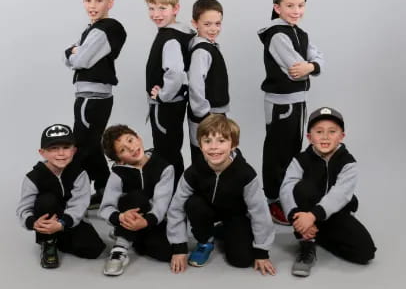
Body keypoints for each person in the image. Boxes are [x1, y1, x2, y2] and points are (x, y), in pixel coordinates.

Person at [167, 114, 276, 275]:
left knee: (242, 260)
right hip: (206, 211)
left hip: (235, 215)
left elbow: (260, 212)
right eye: (207, 141)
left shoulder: (245, 174)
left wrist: (262, 251)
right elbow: (176, 208)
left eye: (221, 141)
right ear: (200, 144)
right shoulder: (193, 172)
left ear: (233, 144)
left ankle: (224, 230)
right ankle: (206, 240)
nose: (214, 147)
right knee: (193, 204)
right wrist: (179, 247)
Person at [280, 107, 376, 277]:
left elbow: (340, 193)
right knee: (303, 187)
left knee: (365, 252)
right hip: (305, 211)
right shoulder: (300, 160)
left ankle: (319, 234)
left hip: (332, 213)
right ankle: (307, 243)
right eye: (319, 131)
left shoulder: (348, 163)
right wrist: (295, 215)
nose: (325, 136)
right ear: (310, 137)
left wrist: (313, 217)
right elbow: (287, 188)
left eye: (332, 132)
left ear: (342, 136)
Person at [258, 0, 325, 225]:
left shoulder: (300, 33)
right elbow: (294, 70)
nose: (296, 10)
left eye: (300, 5)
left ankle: (288, 195)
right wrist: (311, 67)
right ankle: (273, 199)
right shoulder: (277, 34)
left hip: (298, 102)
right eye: (290, 5)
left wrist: (313, 66)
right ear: (277, 7)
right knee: (278, 152)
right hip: (281, 104)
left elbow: (318, 60)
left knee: (292, 150)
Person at [64, 0, 127, 209]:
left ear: (110, 2)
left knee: (79, 147)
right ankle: (104, 189)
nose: (92, 5)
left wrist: (75, 53)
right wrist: (73, 53)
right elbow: (68, 56)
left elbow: (78, 59)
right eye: (88, 0)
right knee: (91, 145)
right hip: (93, 95)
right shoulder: (92, 29)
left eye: (98, 0)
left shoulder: (105, 29)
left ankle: (71, 194)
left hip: (91, 96)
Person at [16, 124, 106, 269]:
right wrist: (33, 222)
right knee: (47, 200)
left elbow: (80, 204)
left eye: (66, 148)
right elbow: (24, 208)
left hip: (68, 221)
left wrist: (62, 224)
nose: (61, 153)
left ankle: (59, 236)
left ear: (74, 150)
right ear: (42, 152)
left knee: (94, 250)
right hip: (45, 217)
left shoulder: (79, 174)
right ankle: (48, 241)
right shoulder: (33, 177)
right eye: (53, 148)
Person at [98, 125, 174, 276]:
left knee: (166, 253)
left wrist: (145, 222)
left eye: (131, 140)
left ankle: (126, 234)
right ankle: (120, 248)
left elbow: (161, 204)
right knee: (137, 197)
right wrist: (120, 217)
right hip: (127, 214)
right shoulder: (118, 174)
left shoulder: (164, 167)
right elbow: (105, 208)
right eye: (123, 150)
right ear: (119, 160)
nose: (132, 149)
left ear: (138, 138)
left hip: (153, 220)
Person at [144, 0, 195, 183]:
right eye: (151, 8)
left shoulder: (170, 38)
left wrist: (163, 95)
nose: (156, 13)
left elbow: (174, 72)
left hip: (165, 107)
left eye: (162, 8)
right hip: (174, 105)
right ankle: (175, 195)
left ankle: (172, 197)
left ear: (176, 8)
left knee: (166, 152)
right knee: (172, 150)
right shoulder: (178, 33)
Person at [187, 0, 230, 164]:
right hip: (206, 116)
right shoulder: (202, 51)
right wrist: (204, 115)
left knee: (216, 157)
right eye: (207, 24)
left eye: (217, 24)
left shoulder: (209, 46)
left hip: (215, 114)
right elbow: (195, 85)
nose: (213, 29)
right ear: (195, 23)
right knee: (205, 158)